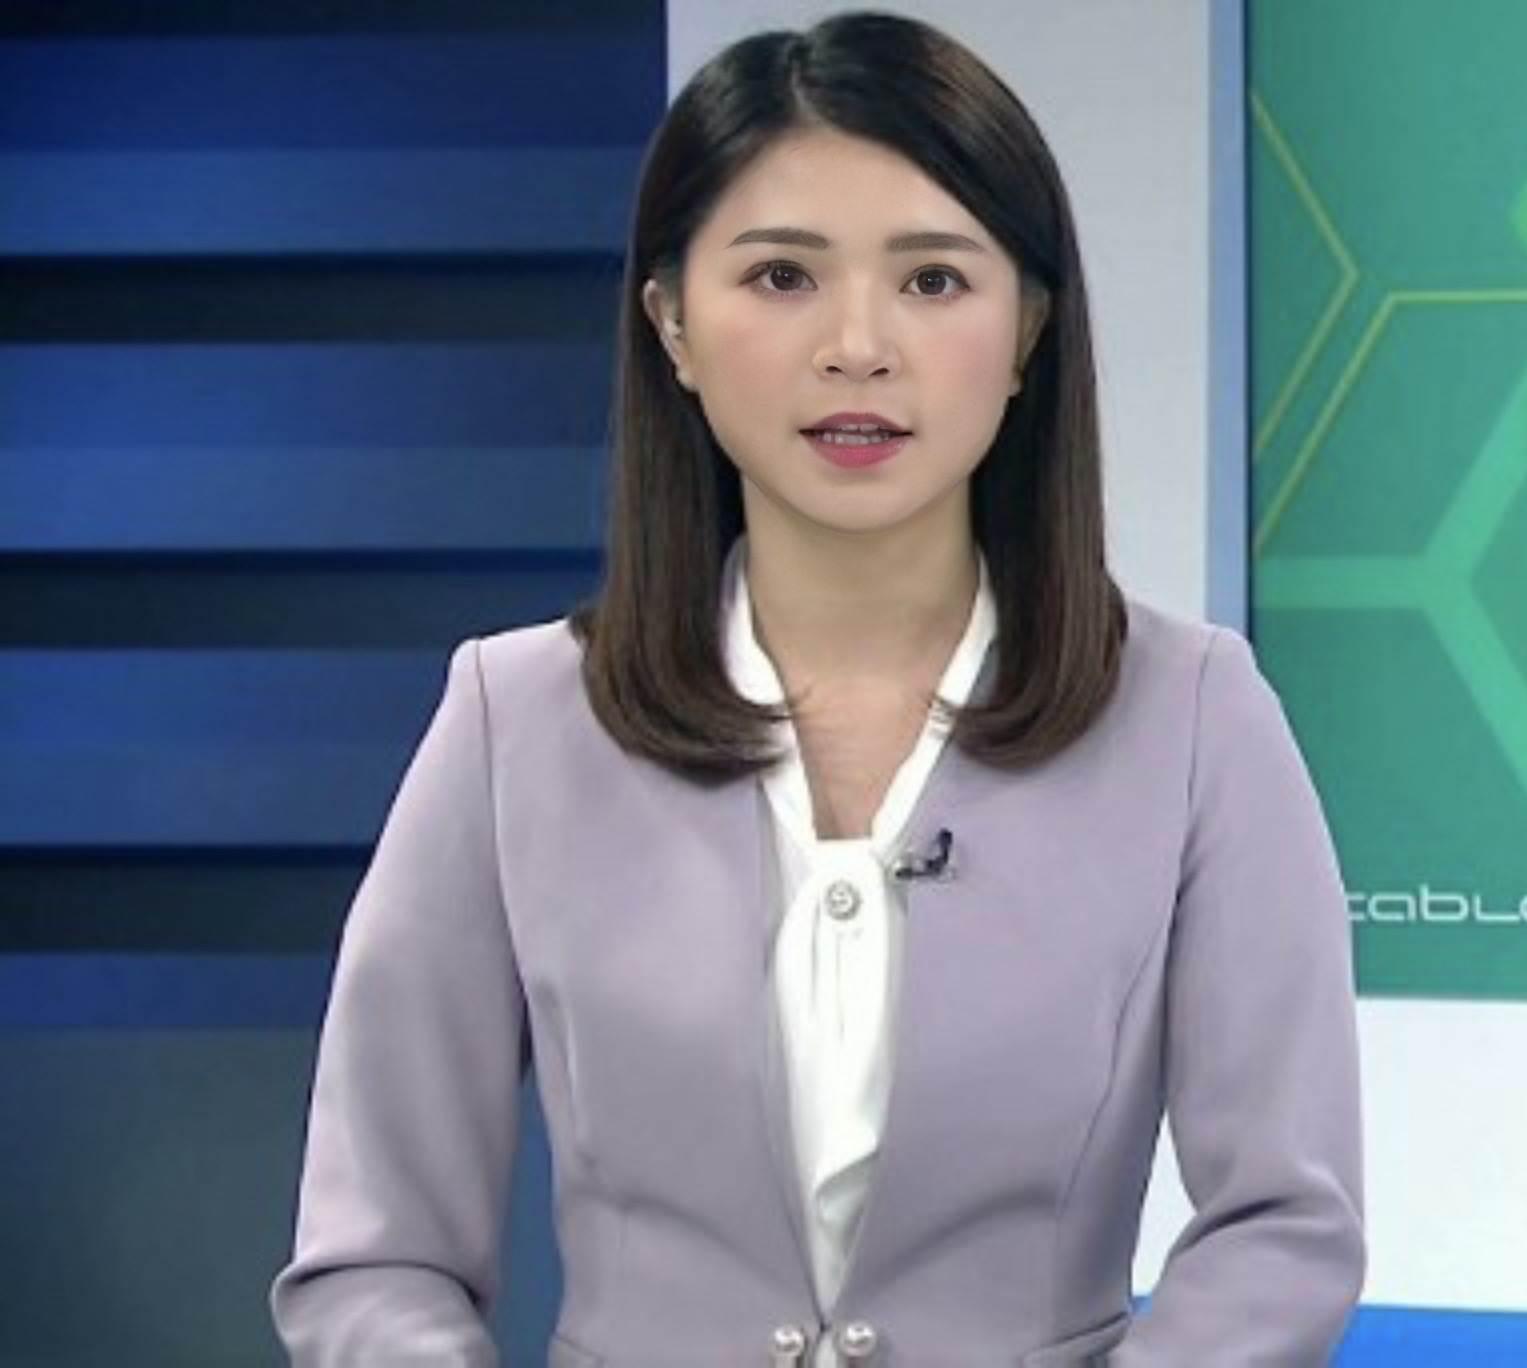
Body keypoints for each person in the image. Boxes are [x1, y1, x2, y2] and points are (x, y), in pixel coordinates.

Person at [269, 11, 1365, 1365]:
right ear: (672, 322)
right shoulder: (516, 721)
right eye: (782, 276)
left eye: (934, 280)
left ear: (1028, 328)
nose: (858, 345)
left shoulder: (1194, 720)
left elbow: (1283, 1230)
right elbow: (376, 1259)